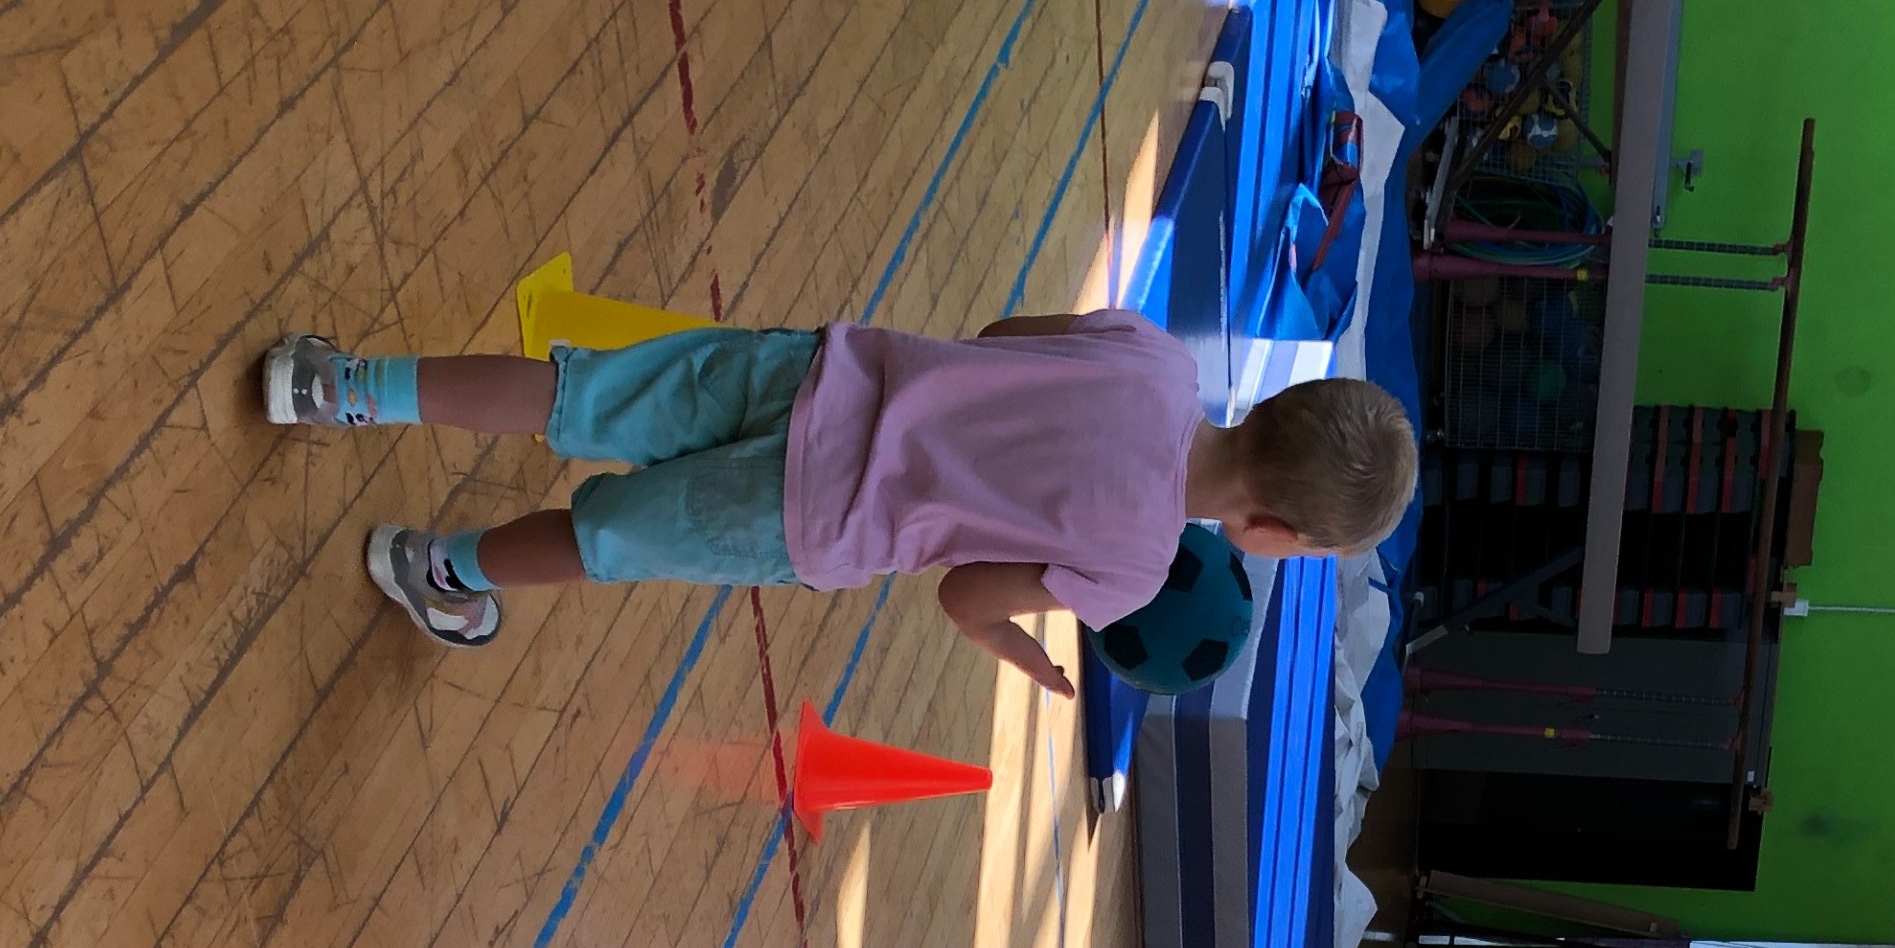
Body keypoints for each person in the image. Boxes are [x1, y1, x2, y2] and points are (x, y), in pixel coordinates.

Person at [254, 310, 1414, 675]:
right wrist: (1016, 649)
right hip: (810, 518)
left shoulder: (1157, 362)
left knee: (578, 393)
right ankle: (440, 569)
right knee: (601, 537)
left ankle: (341, 387)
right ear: (1272, 532)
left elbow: (1005, 336)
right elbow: (964, 594)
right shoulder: (1129, 571)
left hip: (816, 373)